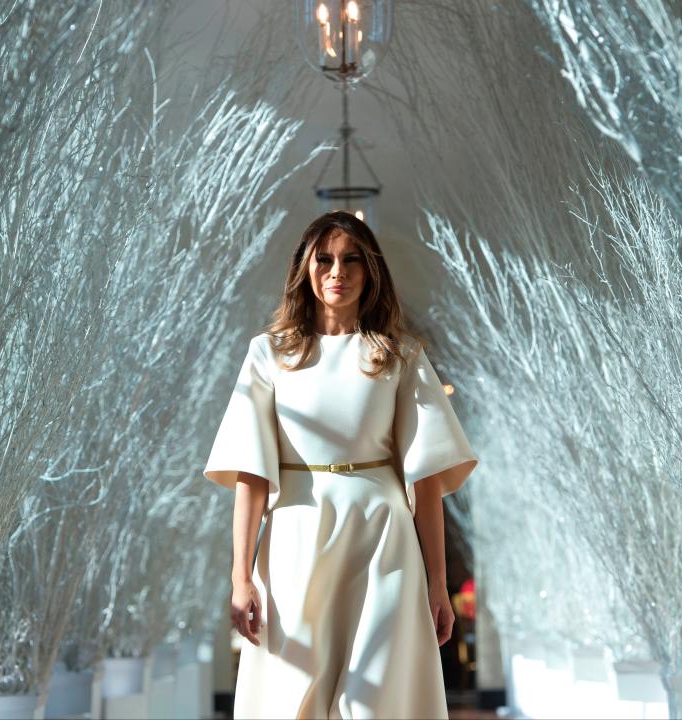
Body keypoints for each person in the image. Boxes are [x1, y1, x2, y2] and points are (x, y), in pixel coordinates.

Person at [204, 211, 479, 719]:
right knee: (297, 695)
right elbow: (251, 474)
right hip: (295, 539)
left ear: (371, 271)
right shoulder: (268, 354)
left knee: (373, 699)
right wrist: (240, 578)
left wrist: (437, 582)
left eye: (352, 259)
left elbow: (426, 478)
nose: (338, 271)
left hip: (383, 538)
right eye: (325, 259)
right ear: (304, 269)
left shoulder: (400, 355)